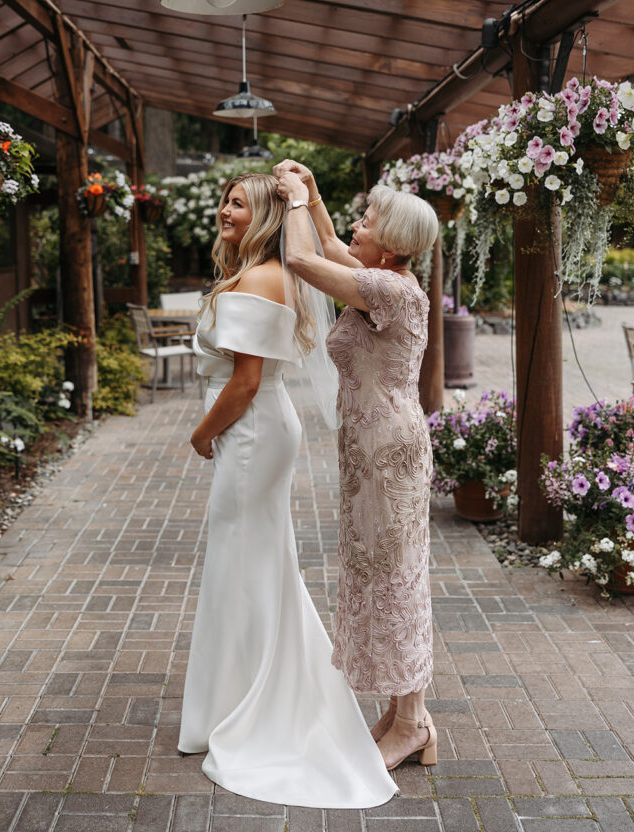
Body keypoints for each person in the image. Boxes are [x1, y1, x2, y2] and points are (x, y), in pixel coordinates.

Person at [178, 172, 396, 808]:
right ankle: (238, 693)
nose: (224, 209)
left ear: (269, 216)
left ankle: (243, 702)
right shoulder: (269, 276)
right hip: (264, 428)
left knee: (241, 561)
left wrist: (199, 435)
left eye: (238, 203)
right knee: (254, 562)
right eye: (223, 198)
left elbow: (245, 382)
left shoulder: (256, 279)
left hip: (250, 430)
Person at [274, 160, 439, 772]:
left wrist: (291, 201)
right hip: (370, 453)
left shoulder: (390, 290)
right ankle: (403, 715)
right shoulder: (381, 277)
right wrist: (313, 194)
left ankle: (414, 723)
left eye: (365, 221)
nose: (354, 226)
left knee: (399, 580)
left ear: (391, 244)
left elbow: (302, 259)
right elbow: (336, 248)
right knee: (386, 575)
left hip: (389, 454)